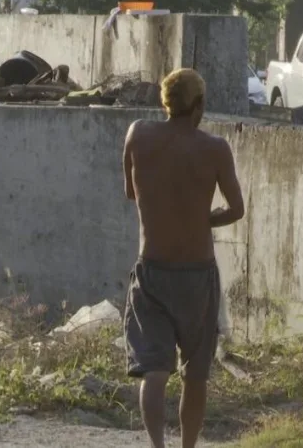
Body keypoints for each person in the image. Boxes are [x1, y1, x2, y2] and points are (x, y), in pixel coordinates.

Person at [121, 68, 244, 448]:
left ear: (166, 102)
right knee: (195, 374)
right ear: (199, 105)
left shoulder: (137, 135)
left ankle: (158, 446)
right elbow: (236, 209)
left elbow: (131, 193)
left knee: (154, 371)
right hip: (197, 277)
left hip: (153, 271)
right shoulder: (214, 149)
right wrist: (204, 217)